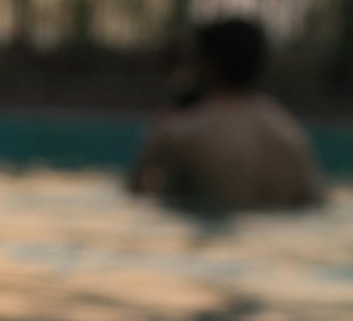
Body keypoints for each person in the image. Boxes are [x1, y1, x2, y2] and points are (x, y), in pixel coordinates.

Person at [129, 14, 324, 210]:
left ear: (209, 64)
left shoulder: (183, 133)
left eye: (191, 60)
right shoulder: (290, 134)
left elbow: (139, 200)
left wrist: (152, 146)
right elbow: (315, 204)